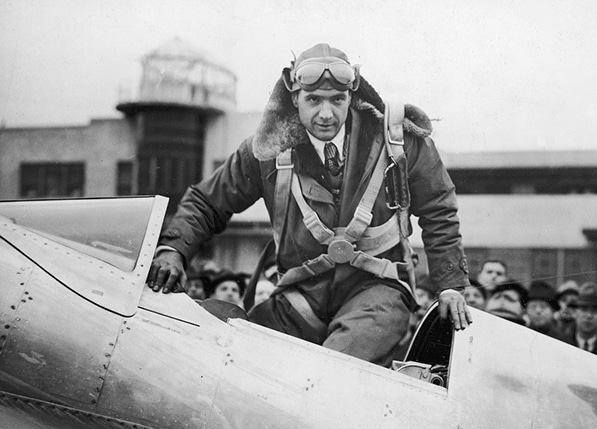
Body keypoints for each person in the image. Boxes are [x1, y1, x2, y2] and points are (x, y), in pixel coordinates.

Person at [147, 43, 471, 367]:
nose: (326, 114)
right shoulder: (267, 150)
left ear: (351, 96)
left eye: (337, 100)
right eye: (314, 100)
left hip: (377, 292)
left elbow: (438, 209)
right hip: (299, 298)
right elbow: (207, 201)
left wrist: (450, 287)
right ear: (294, 98)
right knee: (228, 355)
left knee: (330, 371)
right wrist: (173, 250)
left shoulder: (397, 142)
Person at [558, 288, 597, 362]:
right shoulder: (560, 343)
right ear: (575, 312)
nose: (589, 316)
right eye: (584, 309)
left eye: (595, 310)